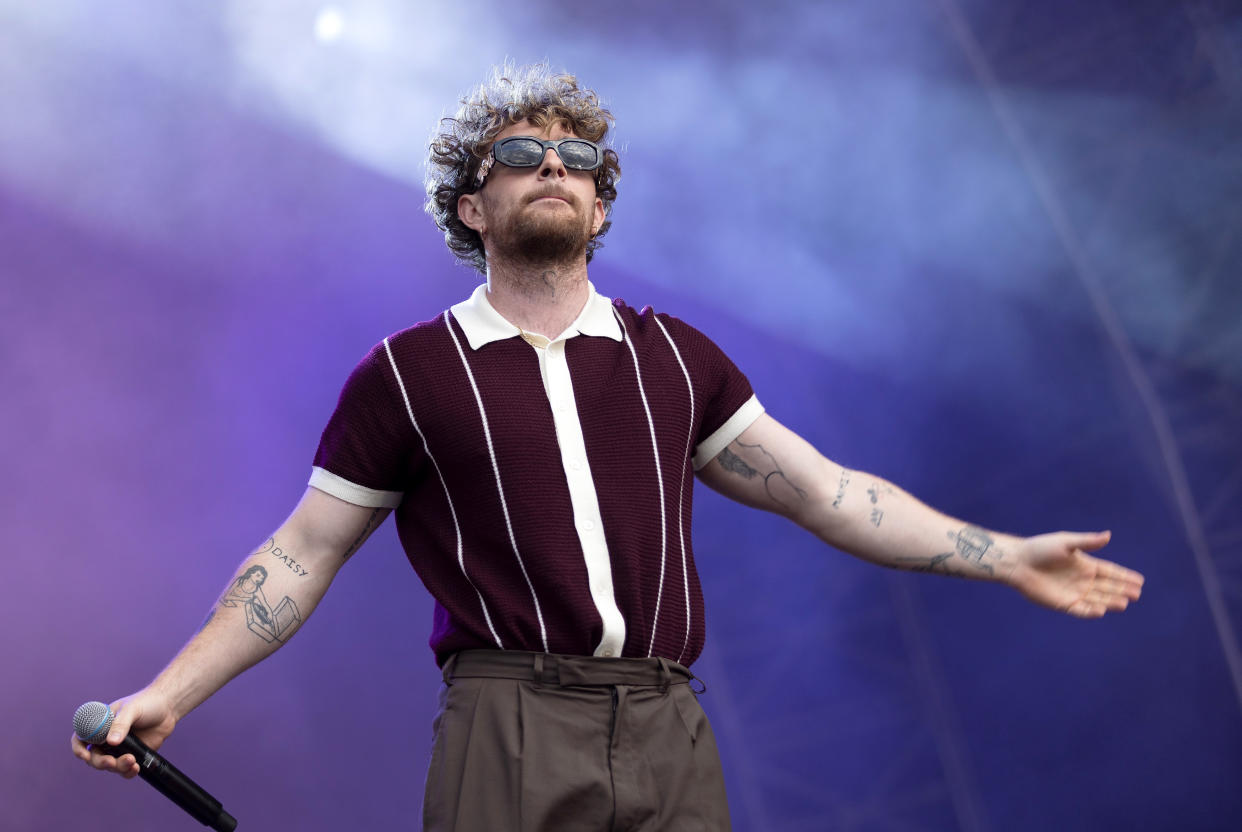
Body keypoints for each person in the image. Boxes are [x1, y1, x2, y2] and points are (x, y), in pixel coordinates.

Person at [72, 64, 1145, 831]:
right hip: (510, 717)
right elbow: (300, 555)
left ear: (600, 206)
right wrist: (170, 692)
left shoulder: (673, 358)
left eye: (578, 157)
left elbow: (829, 493)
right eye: (522, 154)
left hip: (670, 718)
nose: (555, 165)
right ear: (471, 203)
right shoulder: (407, 373)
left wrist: (1004, 554)